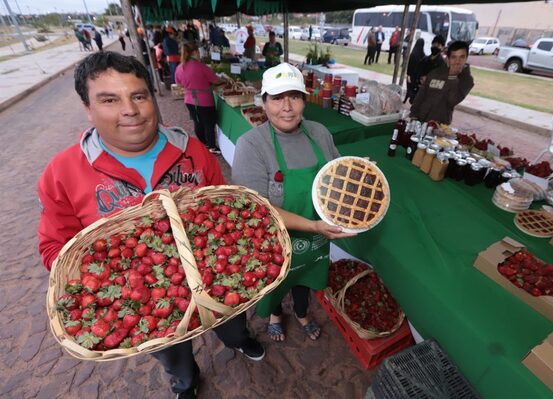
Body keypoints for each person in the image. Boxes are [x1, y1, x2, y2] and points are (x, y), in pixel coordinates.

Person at [37, 51, 265, 399]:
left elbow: (222, 208)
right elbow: (55, 248)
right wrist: (111, 279)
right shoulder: (62, 172)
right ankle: (185, 383)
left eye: (138, 96)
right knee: (171, 352)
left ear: (152, 98)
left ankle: (238, 340)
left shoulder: (193, 150)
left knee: (232, 319)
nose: (129, 109)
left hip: (214, 277)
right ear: (88, 108)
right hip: (143, 301)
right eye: (110, 100)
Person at [232, 63, 355, 342]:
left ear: (304, 100)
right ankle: (276, 314)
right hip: (275, 236)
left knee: (305, 276)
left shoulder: (319, 133)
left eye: (295, 96)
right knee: (275, 280)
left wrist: (354, 173)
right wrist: (313, 225)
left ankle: (301, 312)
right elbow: (257, 209)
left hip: (315, 236)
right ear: (263, 102)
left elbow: (336, 174)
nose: (287, 107)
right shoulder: (251, 145)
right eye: (277, 98)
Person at [175, 42, 226, 154]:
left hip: (189, 100)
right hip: (204, 100)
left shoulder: (180, 67)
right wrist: (224, 80)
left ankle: (204, 144)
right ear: (194, 52)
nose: (199, 54)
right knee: (209, 123)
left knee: (197, 122)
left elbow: (178, 83)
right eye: (198, 52)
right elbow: (215, 80)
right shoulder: (201, 67)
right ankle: (212, 146)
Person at [410, 41, 474, 125]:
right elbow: (421, 94)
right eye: (454, 57)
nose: (457, 61)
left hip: (439, 126)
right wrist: (413, 115)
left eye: (461, 57)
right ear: (448, 59)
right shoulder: (436, 73)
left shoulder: (466, 80)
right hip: (420, 120)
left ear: (466, 58)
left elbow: (452, 101)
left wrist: (452, 77)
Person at [404, 38, 425, 104]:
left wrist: (408, 74)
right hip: (418, 76)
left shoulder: (413, 54)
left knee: (409, 88)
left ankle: (406, 98)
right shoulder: (423, 55)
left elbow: (409, 65)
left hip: (411, 75)